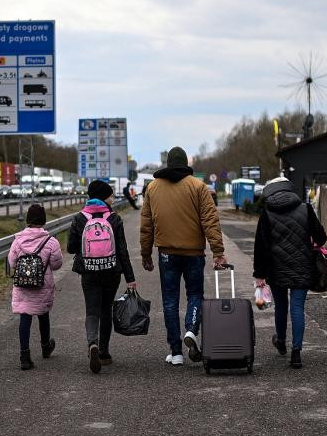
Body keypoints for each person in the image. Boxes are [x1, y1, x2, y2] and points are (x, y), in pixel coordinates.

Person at [140, 146, 226, 365]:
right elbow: (210, 220)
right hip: (194, 254)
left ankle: (176, 352)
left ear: (168, 163)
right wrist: (218, 252)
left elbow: (146, 224)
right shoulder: (198, 186)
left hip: (166, 254)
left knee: (170, 301)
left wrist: (146, 253)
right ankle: (191, 330)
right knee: (195, 294)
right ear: (186, 163)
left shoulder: (152, 188)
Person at [251, 176, 327, 369]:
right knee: (297, 308)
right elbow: (321, 237)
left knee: (281, 307)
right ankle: (296, 352)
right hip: (302, 267)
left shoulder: (267, 213)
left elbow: (260, 247)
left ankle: (281, 341)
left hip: (276, 269)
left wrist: (259, 274)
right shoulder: (305, 209)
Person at [68, 180, 137, 373]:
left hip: (88, 272)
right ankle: (105, 353)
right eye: (111, 195)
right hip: (111, 271)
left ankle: (92, 344)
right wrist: (130, 278)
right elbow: (122, 251)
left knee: (92, 311)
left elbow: (71, 248)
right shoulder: (114, 219)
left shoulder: (79, 218)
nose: (113, 199)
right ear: (104, 197)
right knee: (106, 309)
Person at [7, 203, 64, 370]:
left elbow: (12, 263)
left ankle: (25, 355)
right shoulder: (51, 242)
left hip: (22, 285)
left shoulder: (18, 241)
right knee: (43, 314)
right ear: (44, 220)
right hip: (42, 285)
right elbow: (57, 264)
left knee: (25, 317)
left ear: (27, 220)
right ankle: (46, 346)